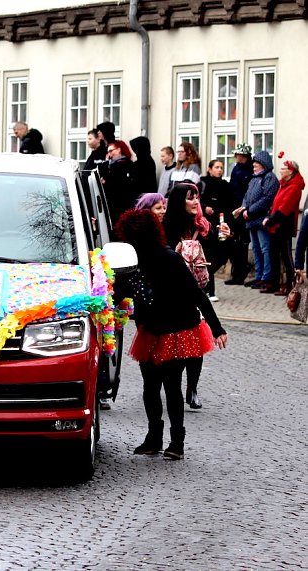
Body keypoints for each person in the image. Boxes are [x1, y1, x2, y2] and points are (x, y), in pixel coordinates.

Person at [115, 209, 227, 460]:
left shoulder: (169, 259)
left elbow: (197, 293)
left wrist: (217, 327)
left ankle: (176, 441)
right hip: (151, 329)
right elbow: (119, 293)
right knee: (152, 387)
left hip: (176, 329)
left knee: (170, 386)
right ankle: (155, 438)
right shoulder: (132, 263)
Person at [162, 182, 225, 410]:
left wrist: (224, 240)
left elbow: (215, 260)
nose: (196, 202)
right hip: (172, 292)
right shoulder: (167, 226)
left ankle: (192, 388)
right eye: (190, 198)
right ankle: (174, 387)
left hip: (195, 290)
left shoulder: (202, 226)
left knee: (197, 342)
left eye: (197, 197)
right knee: (176, 344)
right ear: (180, 200)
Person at [233, 150, 279, 292]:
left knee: (265, 249)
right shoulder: (254, 178)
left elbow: (267, 198)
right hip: (251, 219)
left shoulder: (269, 178)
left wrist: (251, 210)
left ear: (263, 164)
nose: (254, 165)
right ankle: (259, 276)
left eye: (256, 163)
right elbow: (247, 196)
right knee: (256, 249)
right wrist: (244, 208)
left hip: (261, 219)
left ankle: (267, 277)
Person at [263, 157, 304, 296]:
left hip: (284, 226)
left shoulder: (294, 187)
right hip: (276, 225)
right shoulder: (284, 185)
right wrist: (270, 217)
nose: (280, 171)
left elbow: (284, 209)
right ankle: (275, 283)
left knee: (286, 257)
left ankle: (290, 285)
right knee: (274, 255)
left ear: (290, 171)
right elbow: (276, 205)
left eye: (283, 168)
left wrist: (270, 220)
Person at [199, 159, 231, 298]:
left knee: (222, 255)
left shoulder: (225, 185)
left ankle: (205, 282)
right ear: (209, 169)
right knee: (209, 255)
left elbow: (229, 203)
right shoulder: (203, 183)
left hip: (221, 222)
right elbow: (197, 200)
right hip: (206, 223)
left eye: (221, 167)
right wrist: (205, 208)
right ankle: (209, 291)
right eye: (217, 167)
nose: (220, 170)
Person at [99, 139, 135, 221]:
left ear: (119, 149)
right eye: (108, 152)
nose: (109, 154)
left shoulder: (118, 165)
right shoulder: (115, 165)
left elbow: (110, 183)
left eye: (111, 151)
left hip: (119, 203)